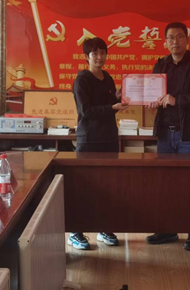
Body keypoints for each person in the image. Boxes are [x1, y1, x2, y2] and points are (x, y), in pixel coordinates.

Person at [145, 22, 190, 251]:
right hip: (165, 134)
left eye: (179, 36)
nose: (175, 41)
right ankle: (168, 229)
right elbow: (154, 93)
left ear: (187, 39)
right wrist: (152, 101)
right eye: (170, 38)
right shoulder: (161, 65)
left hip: (189, 135)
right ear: (165, 42)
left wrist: (178, 100)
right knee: (166, 184)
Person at [70, 37, 129, 250]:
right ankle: (76, 233)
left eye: (102, 52)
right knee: (85, 187)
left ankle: (105, 229)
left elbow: (109, 104)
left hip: (109, 138)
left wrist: (118, 97)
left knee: (108, 187)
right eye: (94, 53)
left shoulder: (108, 78)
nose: (99, 57)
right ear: (86, 57)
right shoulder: (81, 81)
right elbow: (86, 111)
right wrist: (112, 107)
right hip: (89, 140)